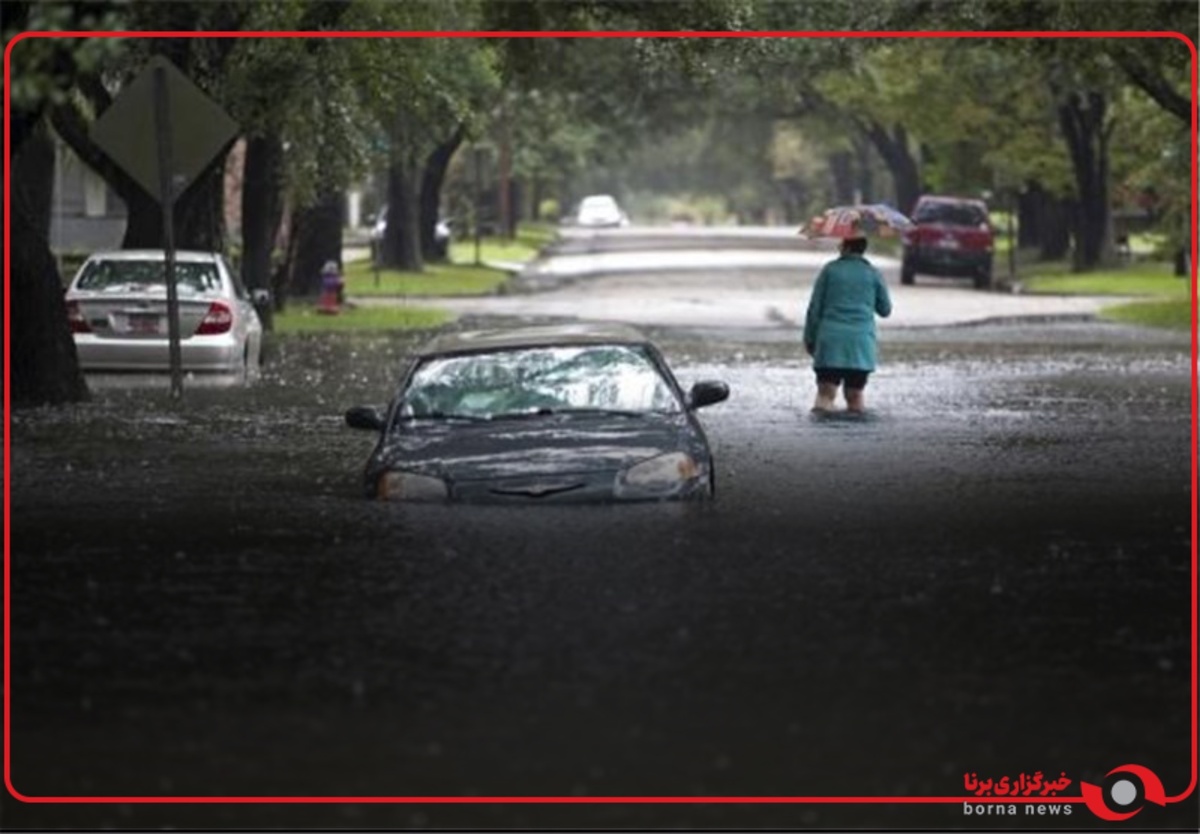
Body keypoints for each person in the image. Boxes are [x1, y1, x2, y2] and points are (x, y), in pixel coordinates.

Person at [802, 235, 892, 413]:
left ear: (846, 247)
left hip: (830, 343)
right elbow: (885, 310)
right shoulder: (873, 273)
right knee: (855, 398)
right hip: (860, 346)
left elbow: (814, 309)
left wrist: (810, 339)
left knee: (825, 397)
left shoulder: (830, 270)